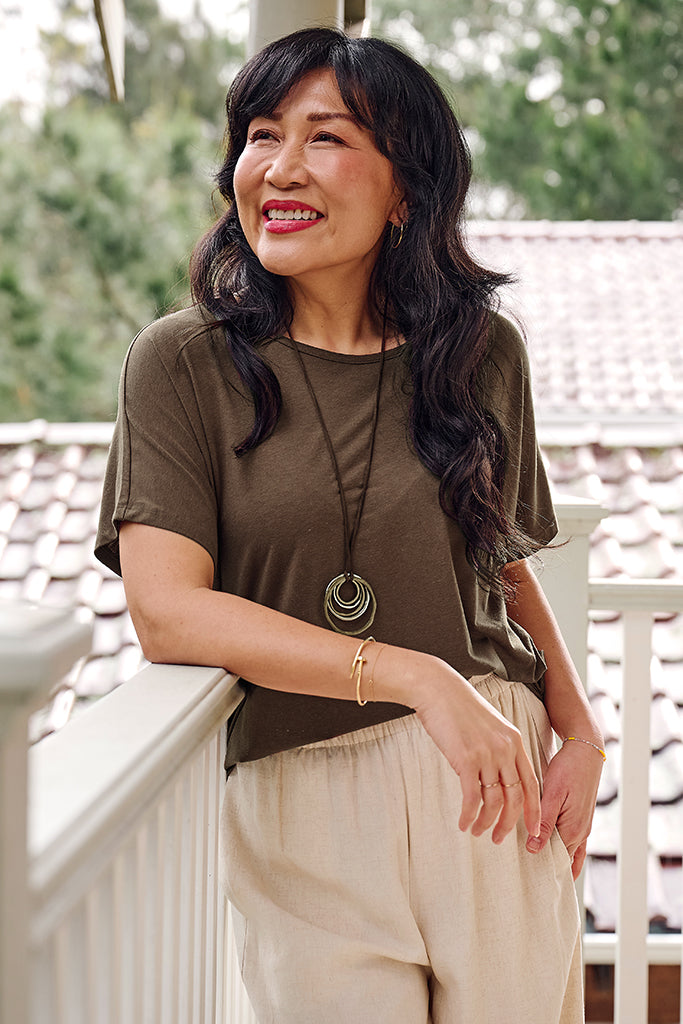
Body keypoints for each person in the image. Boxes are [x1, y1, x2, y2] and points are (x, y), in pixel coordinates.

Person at [95, 27, 604, 1024]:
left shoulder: (479, 351)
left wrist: (579, 728)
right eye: (260, 133)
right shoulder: (180, 364)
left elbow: (494, 559)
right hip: (301, 799)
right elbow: (167, 612)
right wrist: (413, 675)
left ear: (403, 184)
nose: (280, 165)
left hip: (491, 783)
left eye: (324, 137)